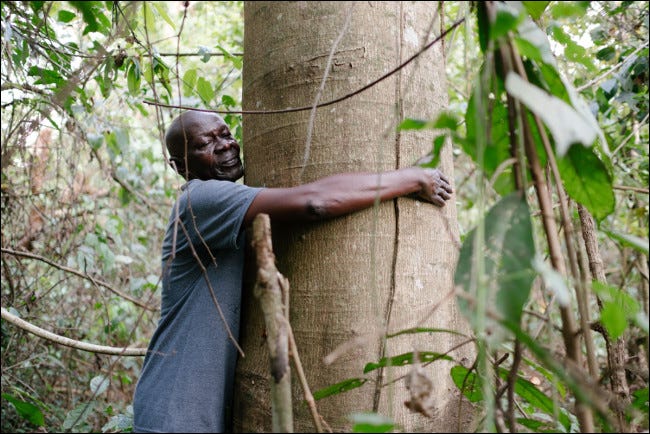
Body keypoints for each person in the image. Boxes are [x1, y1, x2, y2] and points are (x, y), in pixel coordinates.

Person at [132, 110, 453, 433]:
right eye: (205, 143)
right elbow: (315, 202)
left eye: (226, 134)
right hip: (172, 415)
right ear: (180, 166)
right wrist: (413, 178)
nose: (226, 146)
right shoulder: (201, 199)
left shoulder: (230, 205)